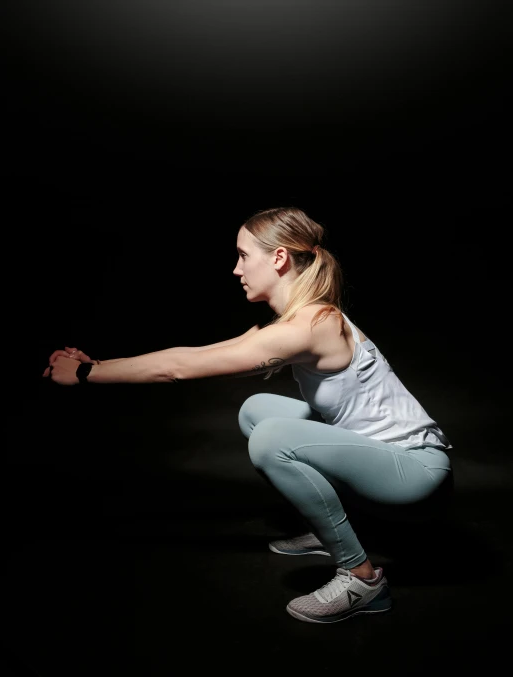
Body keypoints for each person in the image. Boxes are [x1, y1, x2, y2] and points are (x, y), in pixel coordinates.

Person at [43, 206, 453, 624]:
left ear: (278, 258)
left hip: (416, 470)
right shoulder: (304, 316)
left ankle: (361, 579)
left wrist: (85, 374)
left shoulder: (309, 326)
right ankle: (332, 525)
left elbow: (178, 370)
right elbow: (196, 355)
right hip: (383, 453)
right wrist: (98, 363)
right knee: (257, 410)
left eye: (243, 255)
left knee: (271, 439)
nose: (236, 269)